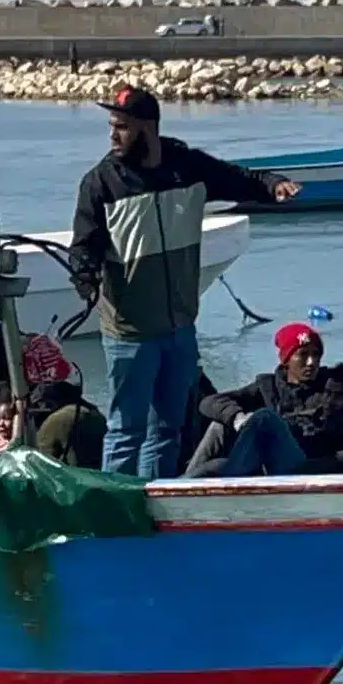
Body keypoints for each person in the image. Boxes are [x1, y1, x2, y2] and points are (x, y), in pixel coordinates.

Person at [68, 84, 301, 479]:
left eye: (122, 126)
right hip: (130, 332)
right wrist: (86, 279)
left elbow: (238, 179)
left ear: (148, 128)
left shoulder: (187, 167)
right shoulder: (101, 183)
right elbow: (82, 248)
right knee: (126, 430)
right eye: (111, 125)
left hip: (179, 327)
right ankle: (114, 508)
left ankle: (154, 504)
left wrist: (272, 184)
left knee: (167, 430)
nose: (113, 135)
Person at [187, 323, 343, 477]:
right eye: (303, 355)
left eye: (316, 355)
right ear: (286, 359)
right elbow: (210, 402)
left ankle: (227, 484)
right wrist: (237, 418)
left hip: (304, 463)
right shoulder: (267, 386)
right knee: (219, 427)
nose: (311, 362)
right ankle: (177, 489)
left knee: (266, 418)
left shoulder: (332, 385)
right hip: (263, 462)